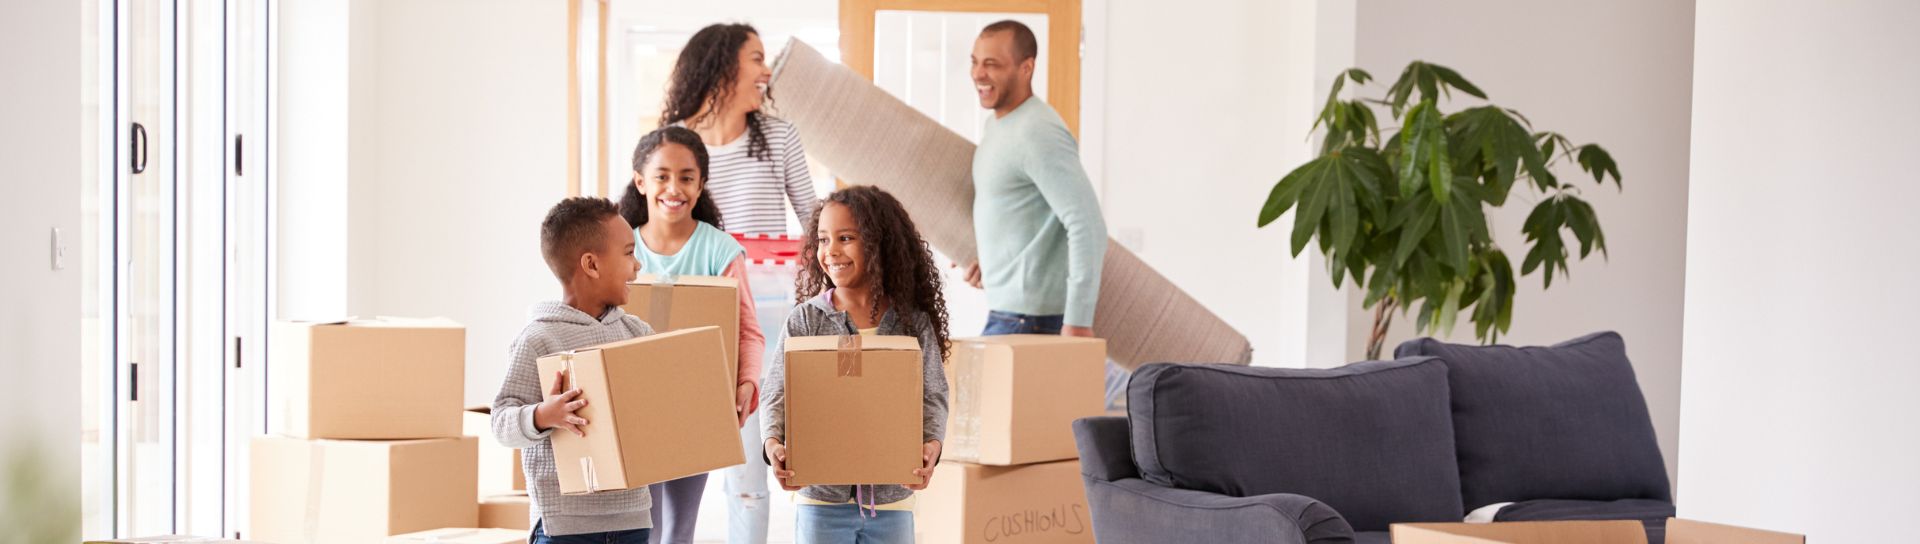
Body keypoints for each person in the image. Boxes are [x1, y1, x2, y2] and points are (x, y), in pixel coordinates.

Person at [659, 24, 820, 544]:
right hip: (691, 314)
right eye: (756, 58)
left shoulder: (779, 137)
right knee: (670, 463)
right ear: (723, 65)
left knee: (750, 469)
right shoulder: (674, 142)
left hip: (765, 314)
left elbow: (817, 223)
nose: (766, 70)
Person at [760, 186, 951, 543]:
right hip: (820, 501)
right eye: (823, 239)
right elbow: (776, 392)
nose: (830, 251)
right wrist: (773, 444)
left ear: (880, 245)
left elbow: (933, 395)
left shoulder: (911, 323)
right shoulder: (806, 320)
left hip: (892, 500)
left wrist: (932, 446)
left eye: (845, 238)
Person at [618, 126, 769, 544]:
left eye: (686, 177)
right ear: (641, 181)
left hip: (696, 405)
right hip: (636, 407)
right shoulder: (622, 247)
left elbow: (748, 331)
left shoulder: (720, 250)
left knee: (679, 531)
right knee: (644, 527)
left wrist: (747, 382)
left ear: (701, 185)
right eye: (662, 176)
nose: (674, 188)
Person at [963, 20, 1124, 406]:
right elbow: (1021, 211)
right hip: (1011, 312)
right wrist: (992, 262)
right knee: (989, 427)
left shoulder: (1038, 131)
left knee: (985, 425)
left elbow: (1087, 224)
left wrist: (1078, 321)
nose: (978, 74)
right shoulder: (998, 126)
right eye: (974, 61)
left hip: (1031, 320)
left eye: (992, 64)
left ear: (1026, 68)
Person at [492, 196, 652, 543]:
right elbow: (501, 422)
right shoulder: (539, 338)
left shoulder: (637, 333)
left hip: (633, 518)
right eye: (628, 253)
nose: (637, 265)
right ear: (591, 264)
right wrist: (542, 416)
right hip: (565, 526)